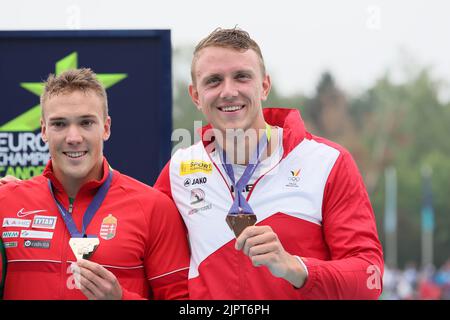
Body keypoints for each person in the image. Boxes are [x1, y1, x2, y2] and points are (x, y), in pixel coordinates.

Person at [154, 27, 384, 299]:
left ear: (264, 86)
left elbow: (370, 278)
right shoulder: (178, 171)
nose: (228, 91)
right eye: (214, 81)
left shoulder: (328, 163)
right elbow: (158, 273)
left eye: (242, 77)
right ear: (195, 96)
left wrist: (296, 268)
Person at [0, 68, 190, 300]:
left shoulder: (154, 208)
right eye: (59, 124)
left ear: (106, 128)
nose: (73, 137)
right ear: (43, 130)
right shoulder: (6, 202)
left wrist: (121, 299)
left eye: (86, 123)